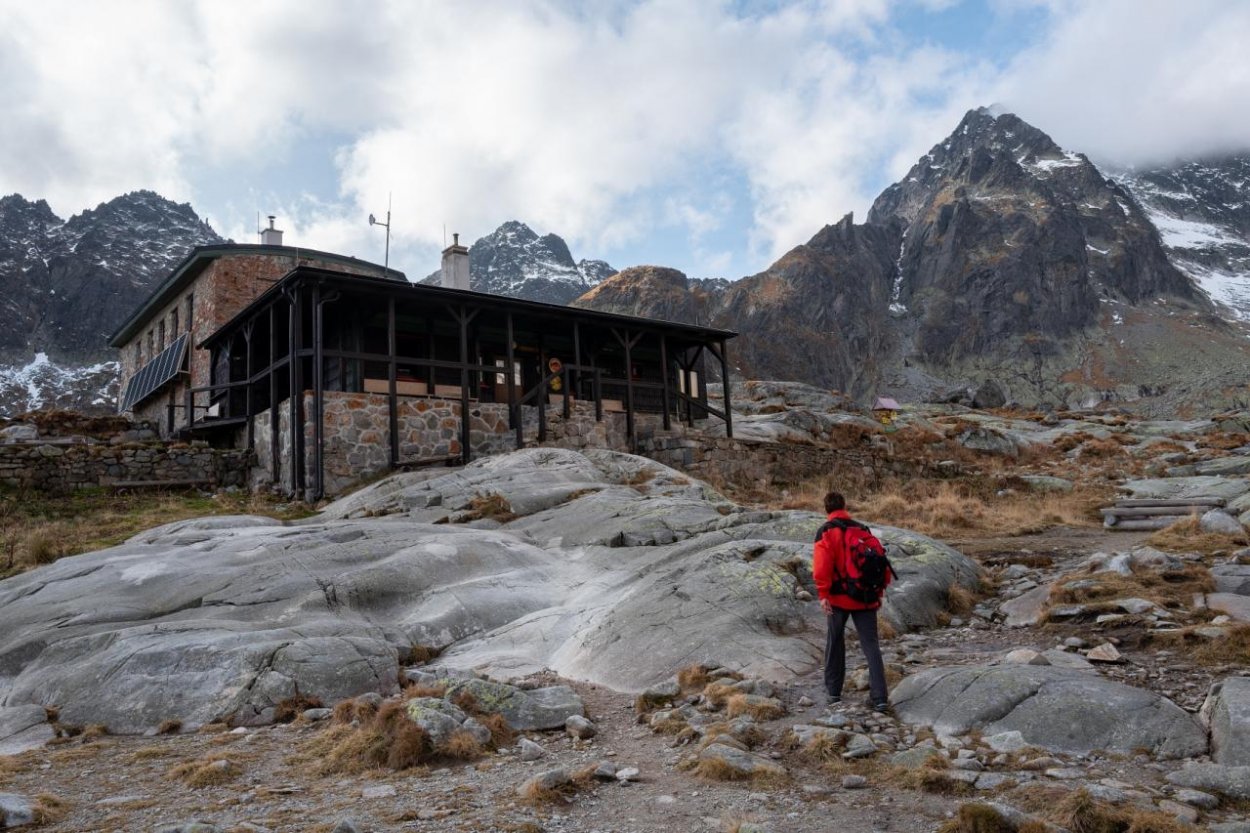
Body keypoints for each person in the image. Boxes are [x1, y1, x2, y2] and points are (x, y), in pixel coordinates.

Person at [812, 490, 891, 711]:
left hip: (838, 598)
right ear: (844, 505)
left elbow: (821, 567)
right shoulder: (862, 529)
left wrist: (823, 594)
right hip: (865, 596)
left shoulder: (826, 532)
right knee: (871, 645)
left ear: (826, 508)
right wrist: (879, 591)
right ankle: (880, 698)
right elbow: (880, 560)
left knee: (835, 641)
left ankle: (834, 692)